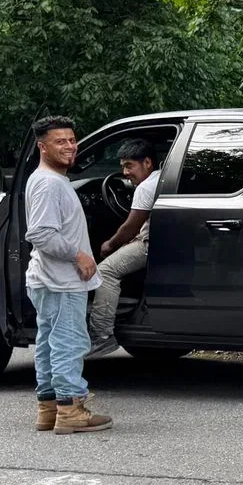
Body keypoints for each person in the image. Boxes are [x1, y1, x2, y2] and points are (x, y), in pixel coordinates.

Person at [23, 116, 113, 434]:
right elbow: (42, 234)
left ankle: (49, 410)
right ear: (42, 146)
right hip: (60, 280)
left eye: (72, 140)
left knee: (49, 343)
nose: (70, 146)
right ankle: (70, 408)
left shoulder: (47, 179)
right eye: (60, 141)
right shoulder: (49, 183)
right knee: (69, 343)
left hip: (47, 279)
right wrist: (79, 255)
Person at [86, 137, 159, 358]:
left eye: (130, 166)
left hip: (149, 245)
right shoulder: (160, 179)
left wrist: (109, 245)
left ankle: (102, 337)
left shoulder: (146, 187)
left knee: (105, 271)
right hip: (159, 241)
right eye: (123, 167)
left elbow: (130, 227)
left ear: (147, 162)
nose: (126, 173)